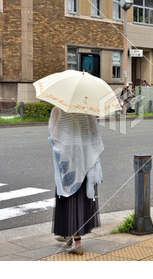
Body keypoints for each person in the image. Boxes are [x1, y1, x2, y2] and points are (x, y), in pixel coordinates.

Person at [49, 107, 103, 255]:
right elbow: (94, 134)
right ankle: (69, 235)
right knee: (80, 197)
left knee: (67, 196)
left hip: (67, 157)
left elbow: (53, 135)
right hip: (85, 157)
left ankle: (77, 242)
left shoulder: (58, 109)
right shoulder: (87, 109)